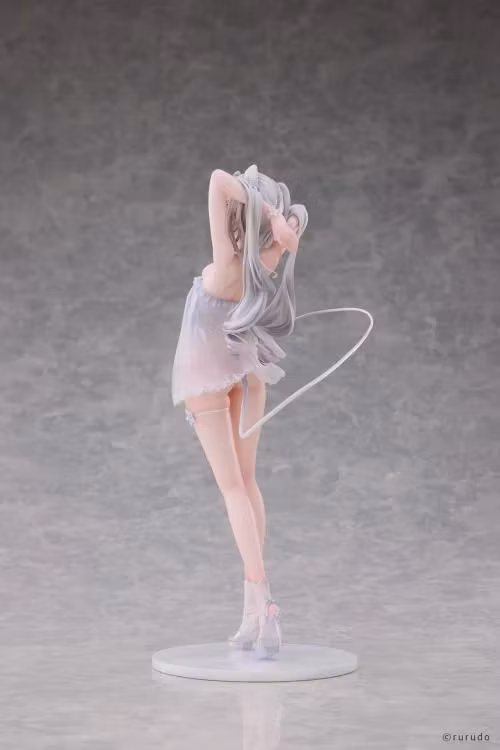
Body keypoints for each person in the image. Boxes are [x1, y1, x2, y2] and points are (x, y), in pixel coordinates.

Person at [171, 163, 308, 660]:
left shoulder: (228, 258)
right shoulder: (268, 257)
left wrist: (263, 210)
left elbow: (215, 179)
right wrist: (283, 229)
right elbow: (297, 217)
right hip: (247, 370)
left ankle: (264, 601)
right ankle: (253, 611)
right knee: (248, 483)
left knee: (233, 488)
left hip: (207, 375)